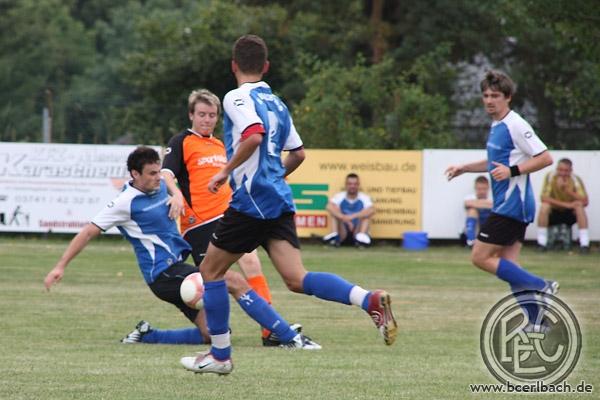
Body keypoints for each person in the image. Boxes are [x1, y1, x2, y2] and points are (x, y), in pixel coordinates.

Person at [180, 34, 398, 375]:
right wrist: (273, 176)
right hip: (278, 197)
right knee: (296, 278)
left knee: (211, 270)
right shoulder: (278, 103)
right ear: (266, 67)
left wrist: (225, 171)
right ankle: (367, 299)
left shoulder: (236, 96)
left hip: (252, 201)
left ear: (233, 65)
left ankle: (220, 356)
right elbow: (298, 153)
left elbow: (252, 134)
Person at [44, 147, 315, 348]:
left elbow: (174, 178)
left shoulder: (163, 185)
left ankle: (148, 335)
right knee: (232, 280)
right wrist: (60, 266)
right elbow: (89, 231)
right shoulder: (124, 203)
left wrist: (175, 194)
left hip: (177, 269)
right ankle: (287, 336)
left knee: (212, 334)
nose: (156, 178)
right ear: (134, 174)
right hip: (162, 274)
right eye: (150, 174)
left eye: (157, 172)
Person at [161, 88, 293, 346]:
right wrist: (175, 194)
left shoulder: (221, 144)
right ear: (191, 115)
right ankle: (242, 333)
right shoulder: (181, 142)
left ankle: (270, 331)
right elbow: (166, 174)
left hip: (230, 215)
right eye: (201, 114)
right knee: (228, 279)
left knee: (253, 265)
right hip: (199, 222)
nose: (207, 119)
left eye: (211, 115)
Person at [445, 70, 557, 332]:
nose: (489, 100)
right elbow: (496, 163)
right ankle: (537, 322)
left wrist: (513, 172)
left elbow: (544, 158)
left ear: (508, 97)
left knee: (480, 257)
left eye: (495, 96)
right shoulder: (497, 125)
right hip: (510, 205)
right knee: (509, 265)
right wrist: (465, 168)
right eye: (485, 95)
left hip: (513, 205)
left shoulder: (515, 124)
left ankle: (541, 285)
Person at [536, 158, 590, 253]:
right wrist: (567, 205)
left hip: (570, 214)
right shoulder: (550, 176)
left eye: (566, 171)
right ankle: (541, 243)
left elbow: (585, 201)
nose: (563, 173)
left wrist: (567, 191)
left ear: (571, 171)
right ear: (557, 169)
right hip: (554, 212)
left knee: (579, 206)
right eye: (560, 170)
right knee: (544, 206)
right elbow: (543, 198)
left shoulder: (575, 179)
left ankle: (584, 244)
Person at [323, 173, 375, 247]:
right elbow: (328, 206)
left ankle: (361, 240)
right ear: (346, 185)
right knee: (335, 210)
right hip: (343, 230)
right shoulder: (339, 196)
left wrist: (352, 217)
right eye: (350, 184)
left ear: (358, 185)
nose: (352, 186)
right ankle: (334, 239)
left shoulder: (364, 197)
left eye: (355, 184)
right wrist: (343, 218)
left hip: (357, 229)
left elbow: (372, 210)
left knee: (366, 214)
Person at [462, 175, 492, 247]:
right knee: (472, 211)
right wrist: (486, 204)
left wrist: (476, 203)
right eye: (479, 189)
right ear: (475, 188)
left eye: (484, 189)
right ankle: (471, 241)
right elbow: (467, 203)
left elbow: (494, 206)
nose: (482, 191)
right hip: (476, 227)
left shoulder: (492, 197)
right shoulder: (469, 197)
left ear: (488, 188)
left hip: (489, 227)